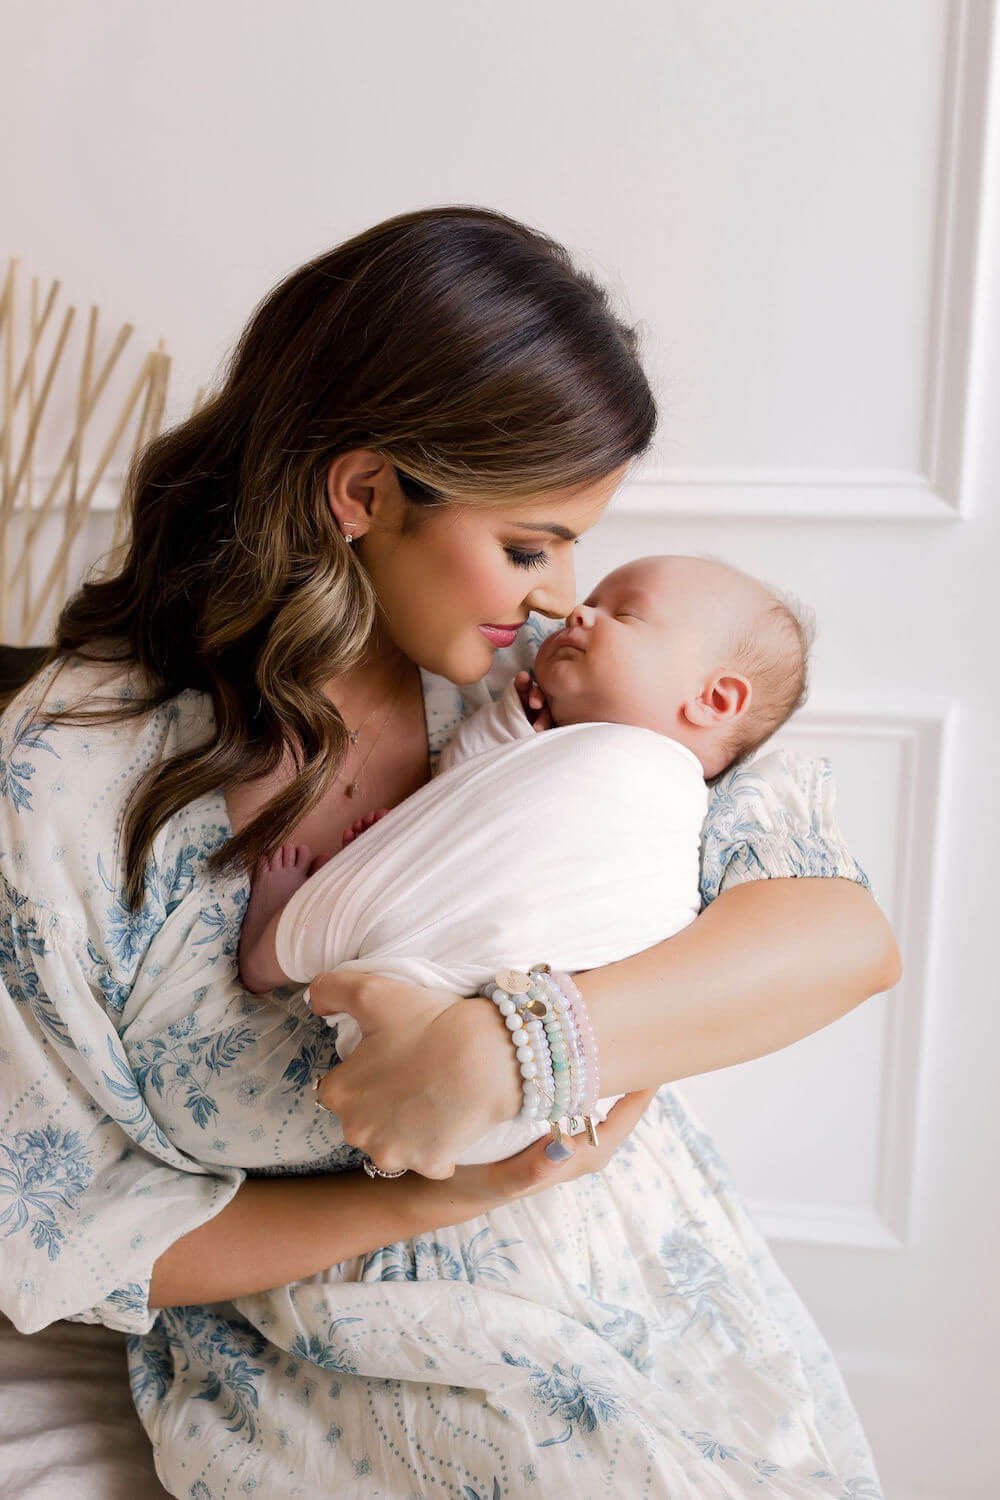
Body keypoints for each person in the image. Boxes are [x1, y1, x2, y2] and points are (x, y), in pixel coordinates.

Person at [0, 207, 899, 1498]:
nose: (558, 593)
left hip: (652, 1308)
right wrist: (434, 1197)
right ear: (363, 493)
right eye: (529, 544)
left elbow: (838, 936)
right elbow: (60, 1225)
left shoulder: (569, 688)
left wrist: (512, 1047)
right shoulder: (79, 762)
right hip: (338, 1389)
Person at [234, 554, 813, 1168]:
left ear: (715, 699)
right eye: (594, 599)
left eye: (626, 614)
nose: (578, 611)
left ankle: (270, 954)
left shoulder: (677, 799)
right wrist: (510, 729)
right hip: (433, 1023)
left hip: (530, 1060)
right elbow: (471, 787)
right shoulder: (545, 735)